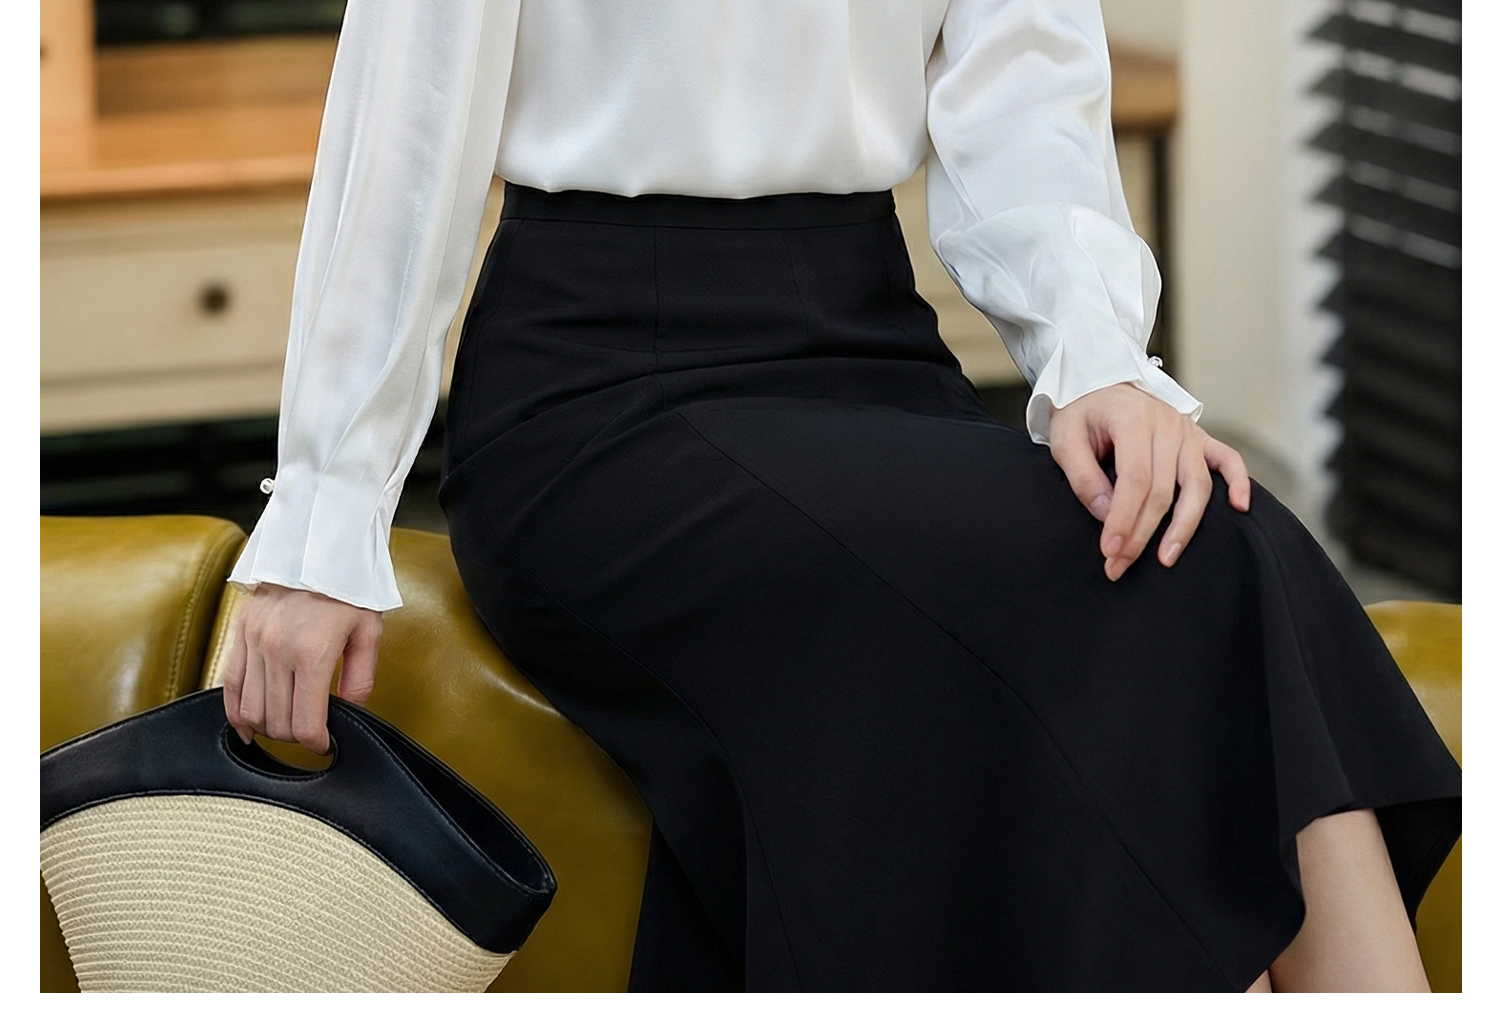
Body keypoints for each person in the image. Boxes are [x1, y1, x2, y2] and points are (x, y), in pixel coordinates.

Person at [221, 0, 1460, 992]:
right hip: (600, 384)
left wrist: (1098, 360)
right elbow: (408, 119)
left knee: (1218, 536)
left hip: (868, 344)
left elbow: (1024, 81)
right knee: (1112, 593)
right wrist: (325, 514)